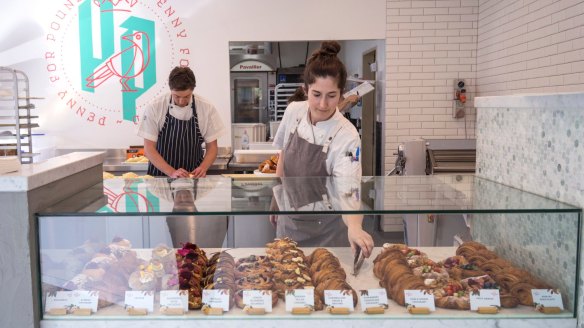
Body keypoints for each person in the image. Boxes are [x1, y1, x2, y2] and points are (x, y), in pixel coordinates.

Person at [271, 41, 374, 258]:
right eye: (316, 94)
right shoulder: (293, 111)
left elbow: (349, 188)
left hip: (327, 229)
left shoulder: (347, 135)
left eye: (332, 96)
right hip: (289, 221)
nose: (323, 104)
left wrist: (355, 226)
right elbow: (283, 157)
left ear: (342, 94)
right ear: (305, 89)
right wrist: (276, 199)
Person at [138, 66, 225, 178]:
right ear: (170, 90)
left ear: (193, 90)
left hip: (193, 177)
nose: (181, 101)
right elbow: (149, 148)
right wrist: (172, 172)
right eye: (177, 96)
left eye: (187, 96)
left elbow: (212, 147)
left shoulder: (206, 108)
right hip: (161, 178)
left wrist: (203, 168)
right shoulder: (155, 107)